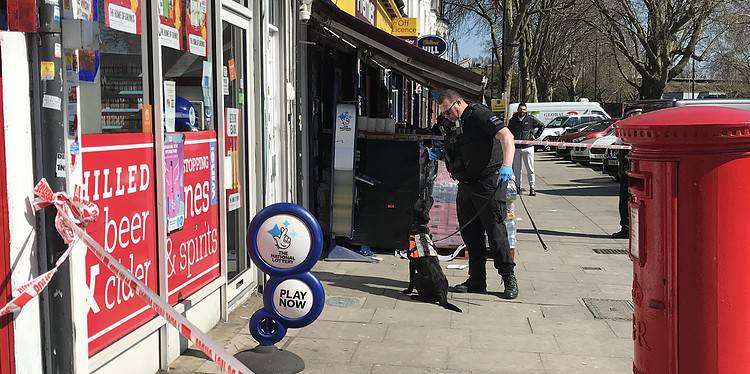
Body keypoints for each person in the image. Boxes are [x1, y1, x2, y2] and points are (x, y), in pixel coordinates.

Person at [434, 90, 518, 299]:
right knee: (470, 234)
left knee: (496, 232)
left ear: (458, 103)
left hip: (488, 182)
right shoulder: (456, 123)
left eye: (448, 112)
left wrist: (507, 166)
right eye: (444, 114)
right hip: (466, 184)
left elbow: (507, 136)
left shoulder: (479, 114)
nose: (447, 117)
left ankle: (509, 278)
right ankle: (476, 280)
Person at [611, 107, 642, 239]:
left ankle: (627, 228)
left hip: (630, 171)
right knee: (628, 201)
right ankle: (629, 228)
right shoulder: (634, 129)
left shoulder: (628, 130)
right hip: (632, 170)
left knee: (626, 200)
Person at [507, 103, 544, 196]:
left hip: (528, 147)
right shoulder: (512, 120)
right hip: (516, 148)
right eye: (520, 109)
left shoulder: (531, 119)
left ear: (526, 110)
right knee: (516, 170)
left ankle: (532, 188)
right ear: (518, 109)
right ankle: (517, 187)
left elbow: (542, 125)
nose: (522, 111)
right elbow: (508, 132)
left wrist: (535, 136)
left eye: (524, 109)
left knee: (530, 169)